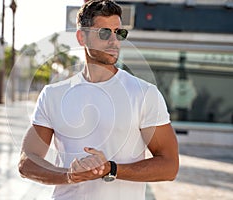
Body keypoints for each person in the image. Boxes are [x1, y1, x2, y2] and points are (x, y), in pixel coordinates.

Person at [18, 0, 179, 199]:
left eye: (119, 33)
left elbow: (169, 166)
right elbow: (27, 162)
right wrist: (69, 175)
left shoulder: (144, 93)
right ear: (81, 37)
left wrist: (111, 169)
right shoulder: (53, 95)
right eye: (104, 33)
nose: (114, 41)